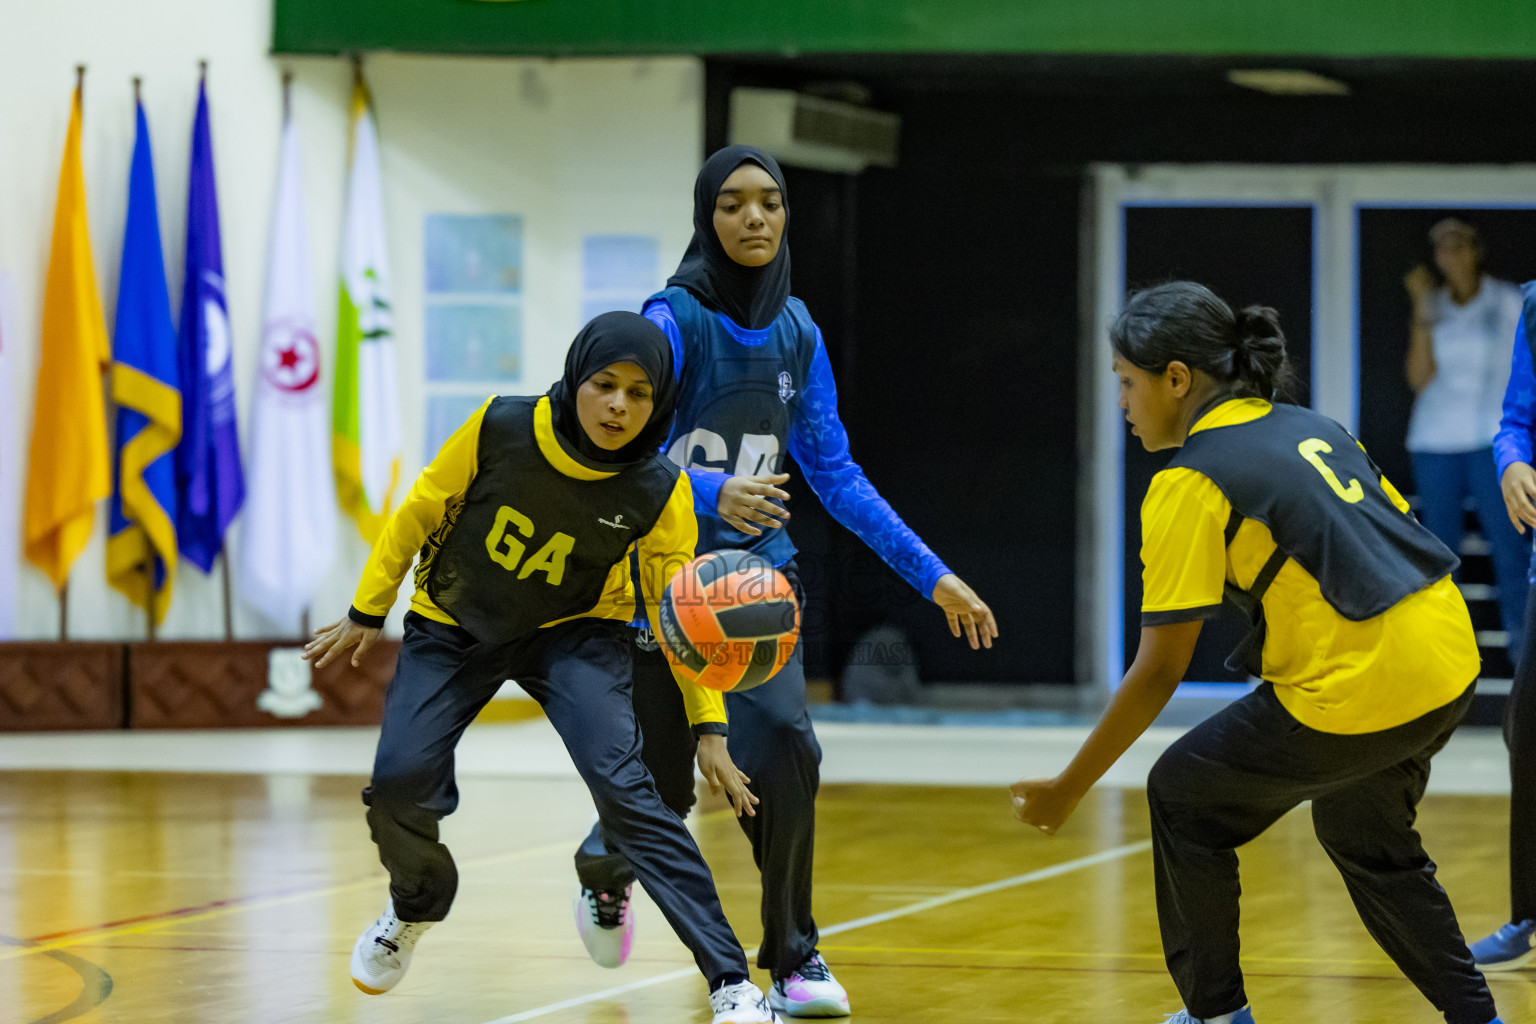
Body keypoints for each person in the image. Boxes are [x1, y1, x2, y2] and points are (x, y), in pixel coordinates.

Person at [569, 145, 998, 1019]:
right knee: (664, 782)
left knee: (786, 747)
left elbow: (836, 476)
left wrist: (934, 576)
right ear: (707, 217)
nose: (755, 219)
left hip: (755, 583)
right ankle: (604, 867)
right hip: (657, 576)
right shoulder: (673, 321)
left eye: (770, 202)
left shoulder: (799, 330)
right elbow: (615, 450)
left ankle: (795, 957)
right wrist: (709, 489)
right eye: (733, 204)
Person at [1011, 282, 1502, 1024]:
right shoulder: (1317, 427)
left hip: (1361, 687)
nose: (1122, 403)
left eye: (1126, 383)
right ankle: (1478, 1017)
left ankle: (1217, 1013)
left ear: (1177, 380)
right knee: (1363, 832)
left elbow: (1159, 672)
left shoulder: (1188, 482)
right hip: (1449, 662)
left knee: (1182, 794)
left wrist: (1067, 787)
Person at [304, 312, 784, 1024]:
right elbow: (416, 512)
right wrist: (368, 611)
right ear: (576, 378)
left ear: (660, 405)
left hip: (574, 635)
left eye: (640, 394)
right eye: (605, 384)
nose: (619, 405)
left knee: (635, 797)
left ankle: (731, 984)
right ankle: (415, 906)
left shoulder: (659, 491)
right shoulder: (500, 427)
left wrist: (709, 725)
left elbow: (674, 612)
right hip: (454, 623)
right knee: (400, 783)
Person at [1404, 217, 1527, 653]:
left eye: (1458, 245)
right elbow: (1419, 377)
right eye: (1441, 248)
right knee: (1438, 556)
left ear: (1476, 250)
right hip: (1435, 439)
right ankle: (1446, 657)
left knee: (1511, 548)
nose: (1450, 256)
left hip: (1493, 439)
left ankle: (1522, 661)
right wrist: (1420, 305)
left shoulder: (1508, 300)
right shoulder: (1432, 304)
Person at [1473, 280, 1536, 971]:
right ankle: (1527, 914)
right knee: (1528, 728)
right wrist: (1513, 460)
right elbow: (1516, 419)